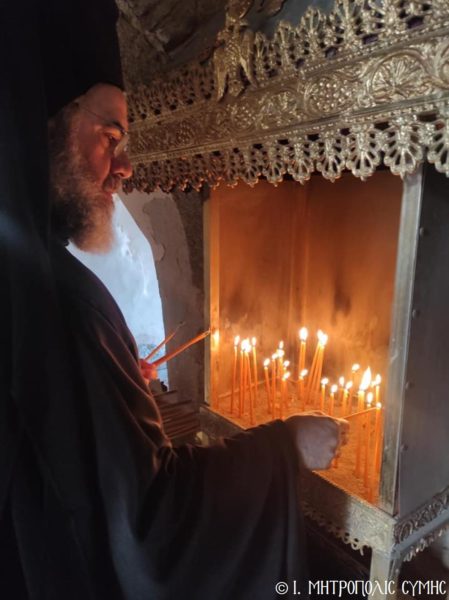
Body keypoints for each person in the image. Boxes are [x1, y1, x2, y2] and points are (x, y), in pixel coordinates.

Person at [1, 2, 348, 598]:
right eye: (110, 137)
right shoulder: (53, 301)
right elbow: (152, 528)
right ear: (45, 127)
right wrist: (285, 446)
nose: (125, 168)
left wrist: (113, 385)